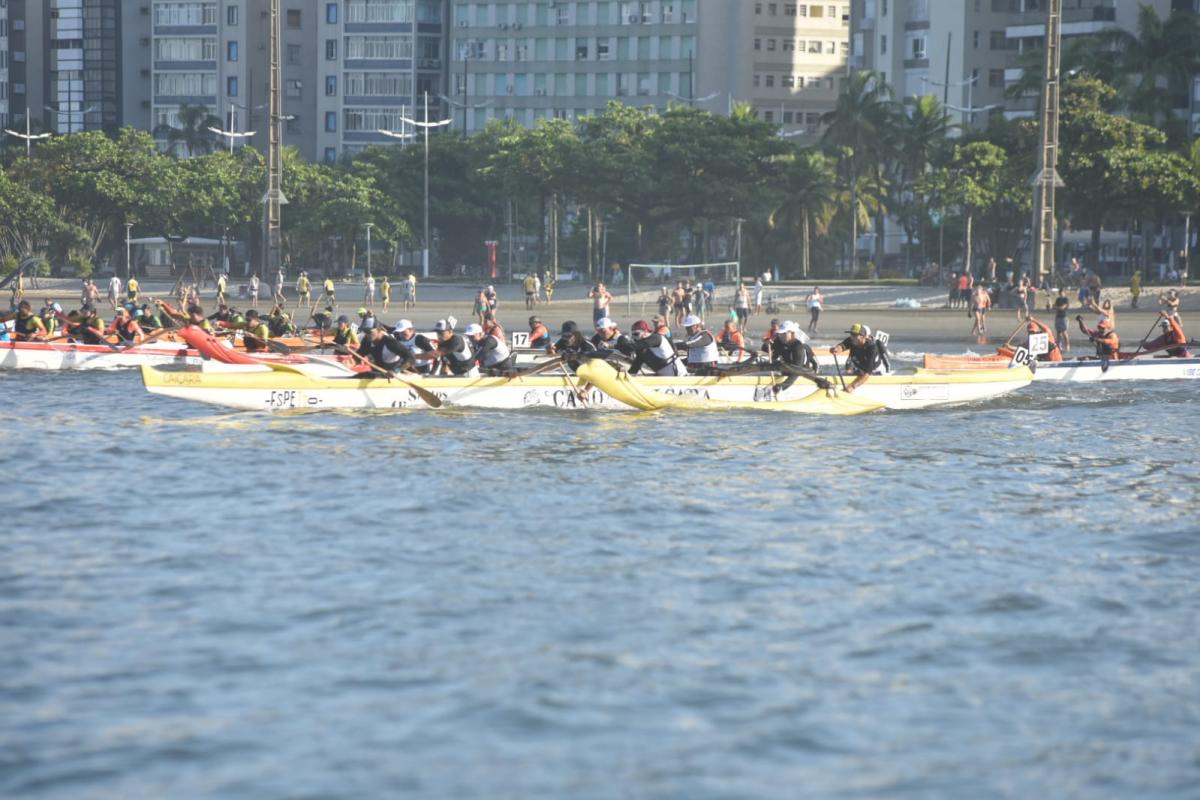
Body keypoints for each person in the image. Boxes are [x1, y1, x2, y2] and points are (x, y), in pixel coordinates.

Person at [831, 323, 890, 393]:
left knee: (860, 374)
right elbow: (842, 346)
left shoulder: (872, 348)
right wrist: (836, 349)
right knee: (847, 371)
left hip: (875, 371)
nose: (851, 337)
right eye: (851, 334)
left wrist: (852, 387)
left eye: (854, 335)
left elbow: (867, 373)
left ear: (863, 336)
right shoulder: (852, 340)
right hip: (861, 367)